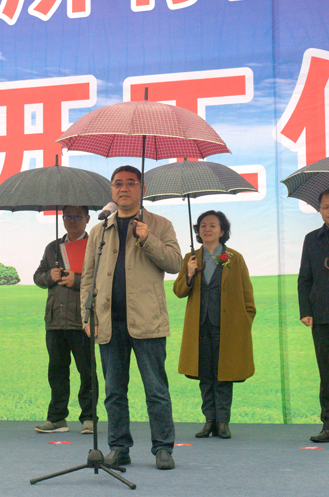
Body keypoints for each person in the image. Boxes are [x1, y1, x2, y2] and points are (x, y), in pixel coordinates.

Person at [81, 165, 182, 471]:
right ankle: (118, 447)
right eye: (118, 184)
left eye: (130, 183)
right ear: (112, 190)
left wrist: (147, 238)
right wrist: (87, 315)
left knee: (156, 390)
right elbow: (88, 277)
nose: (123, 188)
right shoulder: (100, 230)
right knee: (114, 392)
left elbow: (175, 263)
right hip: (108, 322)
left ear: (142, 189)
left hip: (147, 321)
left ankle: (163, 448)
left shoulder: (160, 224)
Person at [173, 210, 256, 439]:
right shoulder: (191, 258)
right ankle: (209, 420)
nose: (207, 229)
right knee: (205, 376)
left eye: (212, 225)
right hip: (200, 328)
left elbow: (247, 294)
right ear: (198, 231)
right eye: (203, 225)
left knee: (224, 376)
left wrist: (245, 322)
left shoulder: (232, 257)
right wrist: (189, 274)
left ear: (222, 231)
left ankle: (222, 422)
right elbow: (179, 291)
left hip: (227, 328)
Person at [34, 206, 97, 434]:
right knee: (57, 371)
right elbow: (38, 276)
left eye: (77, 216)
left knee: (87, 371)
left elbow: (102, 280)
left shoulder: (95, 246)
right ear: (62, 219)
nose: (72, 221)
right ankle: (57, 418)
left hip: (82, 320)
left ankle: (89, 418)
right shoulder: (53, 247)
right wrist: (48, 277)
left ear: (87, 219)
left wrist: (77, 280)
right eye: (68, 216)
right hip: (55, 320)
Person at [298, 189, 329, 443]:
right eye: (326, 207)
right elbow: (304, 279)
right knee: (327, 373)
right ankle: (328, 425)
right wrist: (306, 311)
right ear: (319, 210)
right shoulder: (312, 239)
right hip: (322, 315)